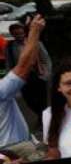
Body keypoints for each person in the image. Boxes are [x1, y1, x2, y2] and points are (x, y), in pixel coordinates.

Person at [0, 16, 46, 149]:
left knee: (41, 101)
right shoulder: (1, 91)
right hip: (14, 149)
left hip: (36, 78)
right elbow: (23, 66)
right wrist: (34, 32)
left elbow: (43, 59)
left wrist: (45, 73)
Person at [5, 22, 52, 125]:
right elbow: (9, 64)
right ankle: (41, 116)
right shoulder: (10, 47)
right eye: (16, 34)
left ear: (24, 32)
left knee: (42, 100)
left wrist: (46, 74)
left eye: (21, 33)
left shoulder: (35, 43)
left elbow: (46, 59)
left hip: (38, 75)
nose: (19, 36)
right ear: (12, 34)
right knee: (29, 101)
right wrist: (11, 79)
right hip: (22, 78)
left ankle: (44, 121)